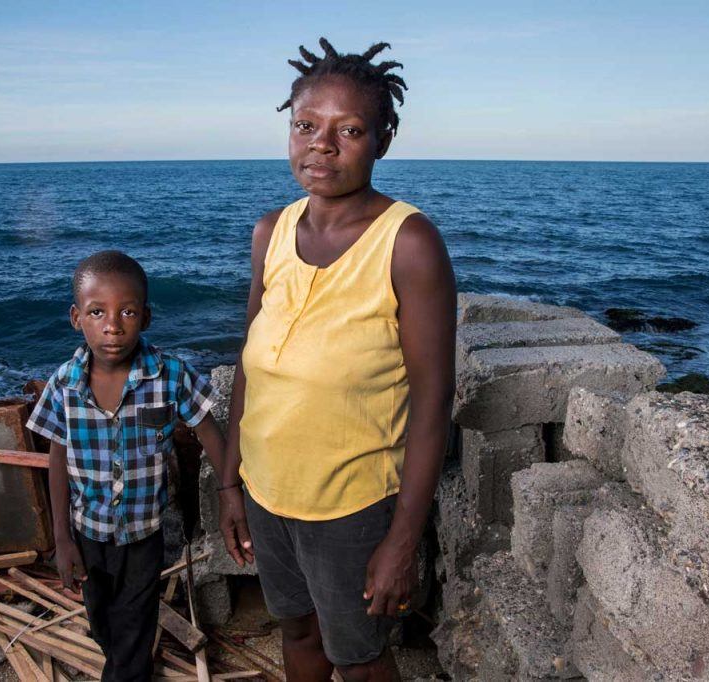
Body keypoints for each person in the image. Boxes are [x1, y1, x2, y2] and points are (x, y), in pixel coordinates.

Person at [221, 38, 457, 680]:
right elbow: (249, 360)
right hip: (269, 492)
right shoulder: (271, 232)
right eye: (305, 125)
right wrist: (231, 482)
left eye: (348, 129)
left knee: (358, 657)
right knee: (296, 630)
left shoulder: (407, 242)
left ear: (384, 138)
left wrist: (402, 539)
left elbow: (435, 397)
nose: (320, 144)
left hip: (352, 507)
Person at [26, 250, 245, 681]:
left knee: (135, 621)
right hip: (88, 533)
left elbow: (210, 433)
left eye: (127, 311)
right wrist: (61, 539)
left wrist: (229, 493)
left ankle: (129, 671)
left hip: (146, 534)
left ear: (145, 317)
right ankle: (129, 661)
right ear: (76, 317)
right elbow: (56, 460)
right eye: (97, 312)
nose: (112, 325)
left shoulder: (170, 375)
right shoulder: (63, 386)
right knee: (103, 622)